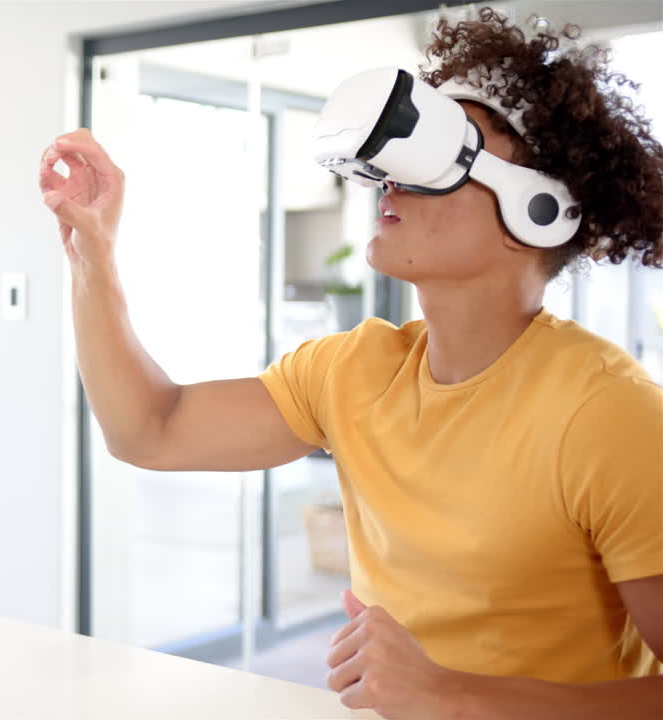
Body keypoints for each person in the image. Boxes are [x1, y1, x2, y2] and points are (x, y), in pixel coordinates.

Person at [39, 8, 662, 719]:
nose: (389, 179)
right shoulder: (356, 372)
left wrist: (453, 696)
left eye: (438, 155)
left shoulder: (609, 414)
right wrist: (92, 254)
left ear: (539, 209)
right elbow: (150, 428)